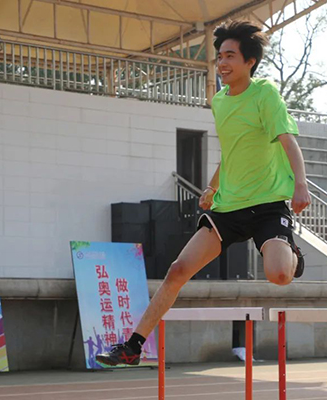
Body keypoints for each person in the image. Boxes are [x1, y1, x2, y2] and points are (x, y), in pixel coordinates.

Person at [96, 20, 311, 366]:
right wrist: (212, 187)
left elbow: (289, 141)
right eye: (219, 56)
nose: (222, 63)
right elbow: (233, 154)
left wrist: (301, 184)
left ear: (250, 61)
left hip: (268, 205)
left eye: (230, 56)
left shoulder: (265, 94)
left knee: (280, 276)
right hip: (228, 207)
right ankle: (133, 346)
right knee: (178, 269)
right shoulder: (220, 102)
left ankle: (291, 253)